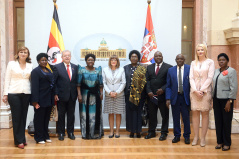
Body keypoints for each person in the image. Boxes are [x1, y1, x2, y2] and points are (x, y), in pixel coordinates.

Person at [2, 46, 32, 149]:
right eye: (21, 52)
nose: (23, 54)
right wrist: (5, 94)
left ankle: (22, 138)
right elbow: (7, 79)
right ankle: (18, 141)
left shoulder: (30, 65)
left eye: (25, 52)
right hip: (13, 93)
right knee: (16, 117)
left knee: (23, 117)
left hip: (26, 93)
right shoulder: (11, 64)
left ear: (28, 55)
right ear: (18, 53)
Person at [189, 44, 215, 147]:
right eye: (198, 50)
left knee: (205, 114)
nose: (200, 51)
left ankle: (203, 138)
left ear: (205, 51)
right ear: (196, 52)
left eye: (202, 50)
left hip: (205, 92)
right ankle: (196, 137)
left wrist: (202, 90)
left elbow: (210, 77)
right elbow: (191, 77)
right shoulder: (193, 63)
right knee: (195, 115)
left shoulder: (210, 62)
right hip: (194, 92)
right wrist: (195, 90)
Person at [212, 53, 238, 151]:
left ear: (227, 61)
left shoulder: (231, 71)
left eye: (223, 60)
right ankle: (220, 142)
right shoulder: (216, 71)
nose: (221, 62)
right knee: (218, 121)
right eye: (219, 60)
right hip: (216, 99)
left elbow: (234, 87)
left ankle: (227, 143)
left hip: (226, 100)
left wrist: (230, 100)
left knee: (226, 122)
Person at [145, 51, 172, 140]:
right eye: (156, 56)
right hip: (151, 96)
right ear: (154, 58)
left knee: (165, 115)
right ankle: (151, 132)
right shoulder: (149, 67)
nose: (158, 57)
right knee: (152, 115)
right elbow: (147, 81)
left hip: (163, 96)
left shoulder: (168, 67)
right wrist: (148, 91)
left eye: (160, 56)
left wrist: (163, 89)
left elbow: (169, 81)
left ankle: (164, 133)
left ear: (162, 56)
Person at [77, 54, 104, 139]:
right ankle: (86, 134)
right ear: (86, 61)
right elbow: (78, 84)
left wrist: (101, 93)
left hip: (96, 95)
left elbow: (100, 84)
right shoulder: (81, 70)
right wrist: (79, 95)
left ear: (94, 61)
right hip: (84, 95)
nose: (90, 61)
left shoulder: (98, 70)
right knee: (84, 115)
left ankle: (95, 133)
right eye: (89, 60)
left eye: (92, 60)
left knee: (95, 114)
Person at [166, 54, 191, 144]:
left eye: (181, 59)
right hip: (175, 97)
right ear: (175, 60)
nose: (179, 60)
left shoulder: (189, 68)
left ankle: (187, 136)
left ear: (184, 60)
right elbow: (168, 86)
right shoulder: (171, 70)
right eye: (178, 59)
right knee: (175, 118)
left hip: (185, 98)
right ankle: (177, 135)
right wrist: (168, 98)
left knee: (186, 118)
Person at [54, 50, 78, 141]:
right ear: (62, 57)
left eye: (68, 55)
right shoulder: (57, 67)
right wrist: (55, 93)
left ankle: (70, 132)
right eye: (65, 56)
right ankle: (61, 133)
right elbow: (54, 82)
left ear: (70, 57)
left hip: (72, 96)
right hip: (61, 95)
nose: (67, 57)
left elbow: (76, 82)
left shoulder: (75, 67)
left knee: (71, 115)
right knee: (61, 115)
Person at [31, 53, 54, 144]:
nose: (44, 62)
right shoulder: (35, 71)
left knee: (46, 118)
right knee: (39, 119)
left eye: (45, 60)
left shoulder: (49, 70)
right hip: (40, 99)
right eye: (42, 60)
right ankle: (39, 137)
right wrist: (34, 101)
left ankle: (45, 136)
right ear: (38, 61)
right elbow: (34, 87)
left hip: (49, 99)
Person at [124, 50, 147, 138]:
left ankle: (138, 131)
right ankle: (131, 131)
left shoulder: (142, 68)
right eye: (132, 56)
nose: (134, 58)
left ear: (138, 58)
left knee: (138, 112)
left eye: (135, 57)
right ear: (130, 58)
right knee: (130, 113)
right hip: (129, 94)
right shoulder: (125, 68)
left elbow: (145, 81)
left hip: (140, 94)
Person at [103, 55, 126, 138]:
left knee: (118, 113)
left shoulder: (121, 70)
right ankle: (111, 131)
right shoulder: (105, 70)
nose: (113, 61)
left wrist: (117, 92)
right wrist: (109, 92)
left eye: (115, 60)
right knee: (111, 113)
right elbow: (104, 82)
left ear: (117, 61)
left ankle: (117, 132)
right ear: (110, 61)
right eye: (112, 60)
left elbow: (123, 82)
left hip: (119, 95)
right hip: (109, 95)